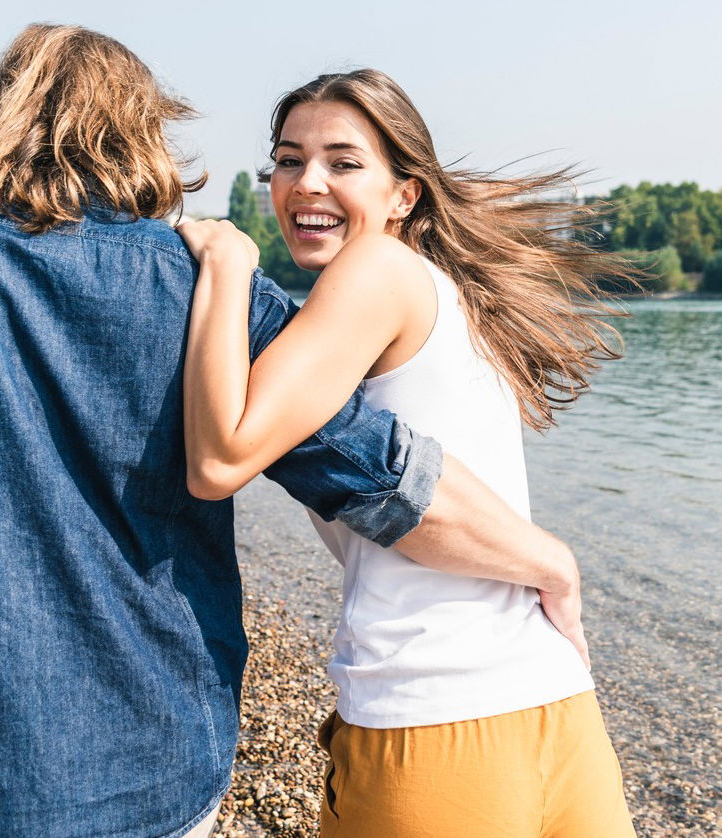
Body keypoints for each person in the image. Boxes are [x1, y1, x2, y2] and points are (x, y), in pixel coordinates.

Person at [0, 26, 585, 838]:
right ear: (141, 132)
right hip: (161, 771)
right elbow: (376, 474)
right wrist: (546, 561)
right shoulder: (202, 284)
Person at [174, 69, 636, 838]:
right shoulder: (444, 292)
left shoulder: (378, 269)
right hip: (554, 705)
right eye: (288, 160)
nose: (305, 183)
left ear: (403, 195)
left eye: (343, 162)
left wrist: (226, 266)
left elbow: (220, 461)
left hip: (433, 722)